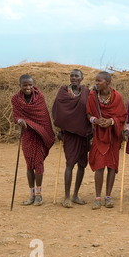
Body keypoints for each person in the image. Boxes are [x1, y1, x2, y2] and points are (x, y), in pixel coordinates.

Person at [11, 74, 55, 206]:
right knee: (29, 165)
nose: (28, 87)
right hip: (27, 136)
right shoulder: (16, 99)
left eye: (30, 84)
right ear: (20, 86)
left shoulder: (39, 97)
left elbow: (43, 117)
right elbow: (16, 116)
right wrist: (20, 121)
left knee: (39, 164)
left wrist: (36, 127)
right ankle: (31, 194)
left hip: (40, 135)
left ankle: (39, 195)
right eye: (25, 85)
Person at [86, 71, 127, 209]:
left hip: (113, 137)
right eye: (96, 81)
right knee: (99, 165)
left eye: (99, 81)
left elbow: (122, 117)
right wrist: (96, 120)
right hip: (99, 136)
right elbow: (88, 114)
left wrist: (111, 121)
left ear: (107, 82)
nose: (96, 83)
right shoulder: (92, 96)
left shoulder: (117, 97)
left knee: (111, 166)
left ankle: (108, 197)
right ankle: (97, 197)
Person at [52, 69, 92, 208]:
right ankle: (67, 197)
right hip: (69, 134)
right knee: (70, 164)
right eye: (72, 76)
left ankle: (76, 195)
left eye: (77, 76)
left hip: (84, 134)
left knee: (82, 165)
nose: (74, 78)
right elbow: (58, 111)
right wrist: (60, 130)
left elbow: (91, 109)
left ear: (81, 78)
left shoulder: (87, 92)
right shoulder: (63, 92)